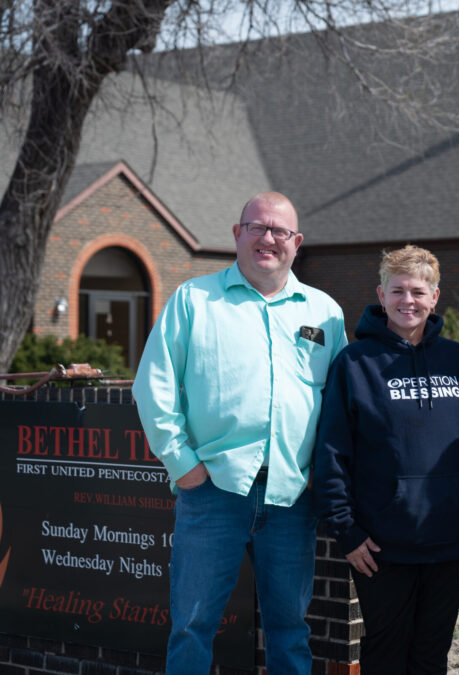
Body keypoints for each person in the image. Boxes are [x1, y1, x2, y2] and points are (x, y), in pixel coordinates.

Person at [132, 191, 347, 674]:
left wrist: (322, 472)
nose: (268, 239)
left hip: (292, 497)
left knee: (290, 631)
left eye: (280, 231)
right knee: (192, 626)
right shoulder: (194, 300)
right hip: (213, 494)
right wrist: (182, 465)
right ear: (237, 234)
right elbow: (154, 387)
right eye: (258, 228)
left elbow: (341, 406)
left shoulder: (325, 312)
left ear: (297, 243)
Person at [312, 245, 459, 673]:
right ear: (380, 294)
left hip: (447, 541)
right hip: (381, 544)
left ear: (434, 297)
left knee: (432, 655)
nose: (407, 301)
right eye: (397, 291)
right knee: (386, 656)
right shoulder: (354, 364)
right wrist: (347, 532)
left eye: (417, 291)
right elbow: (332, 453)